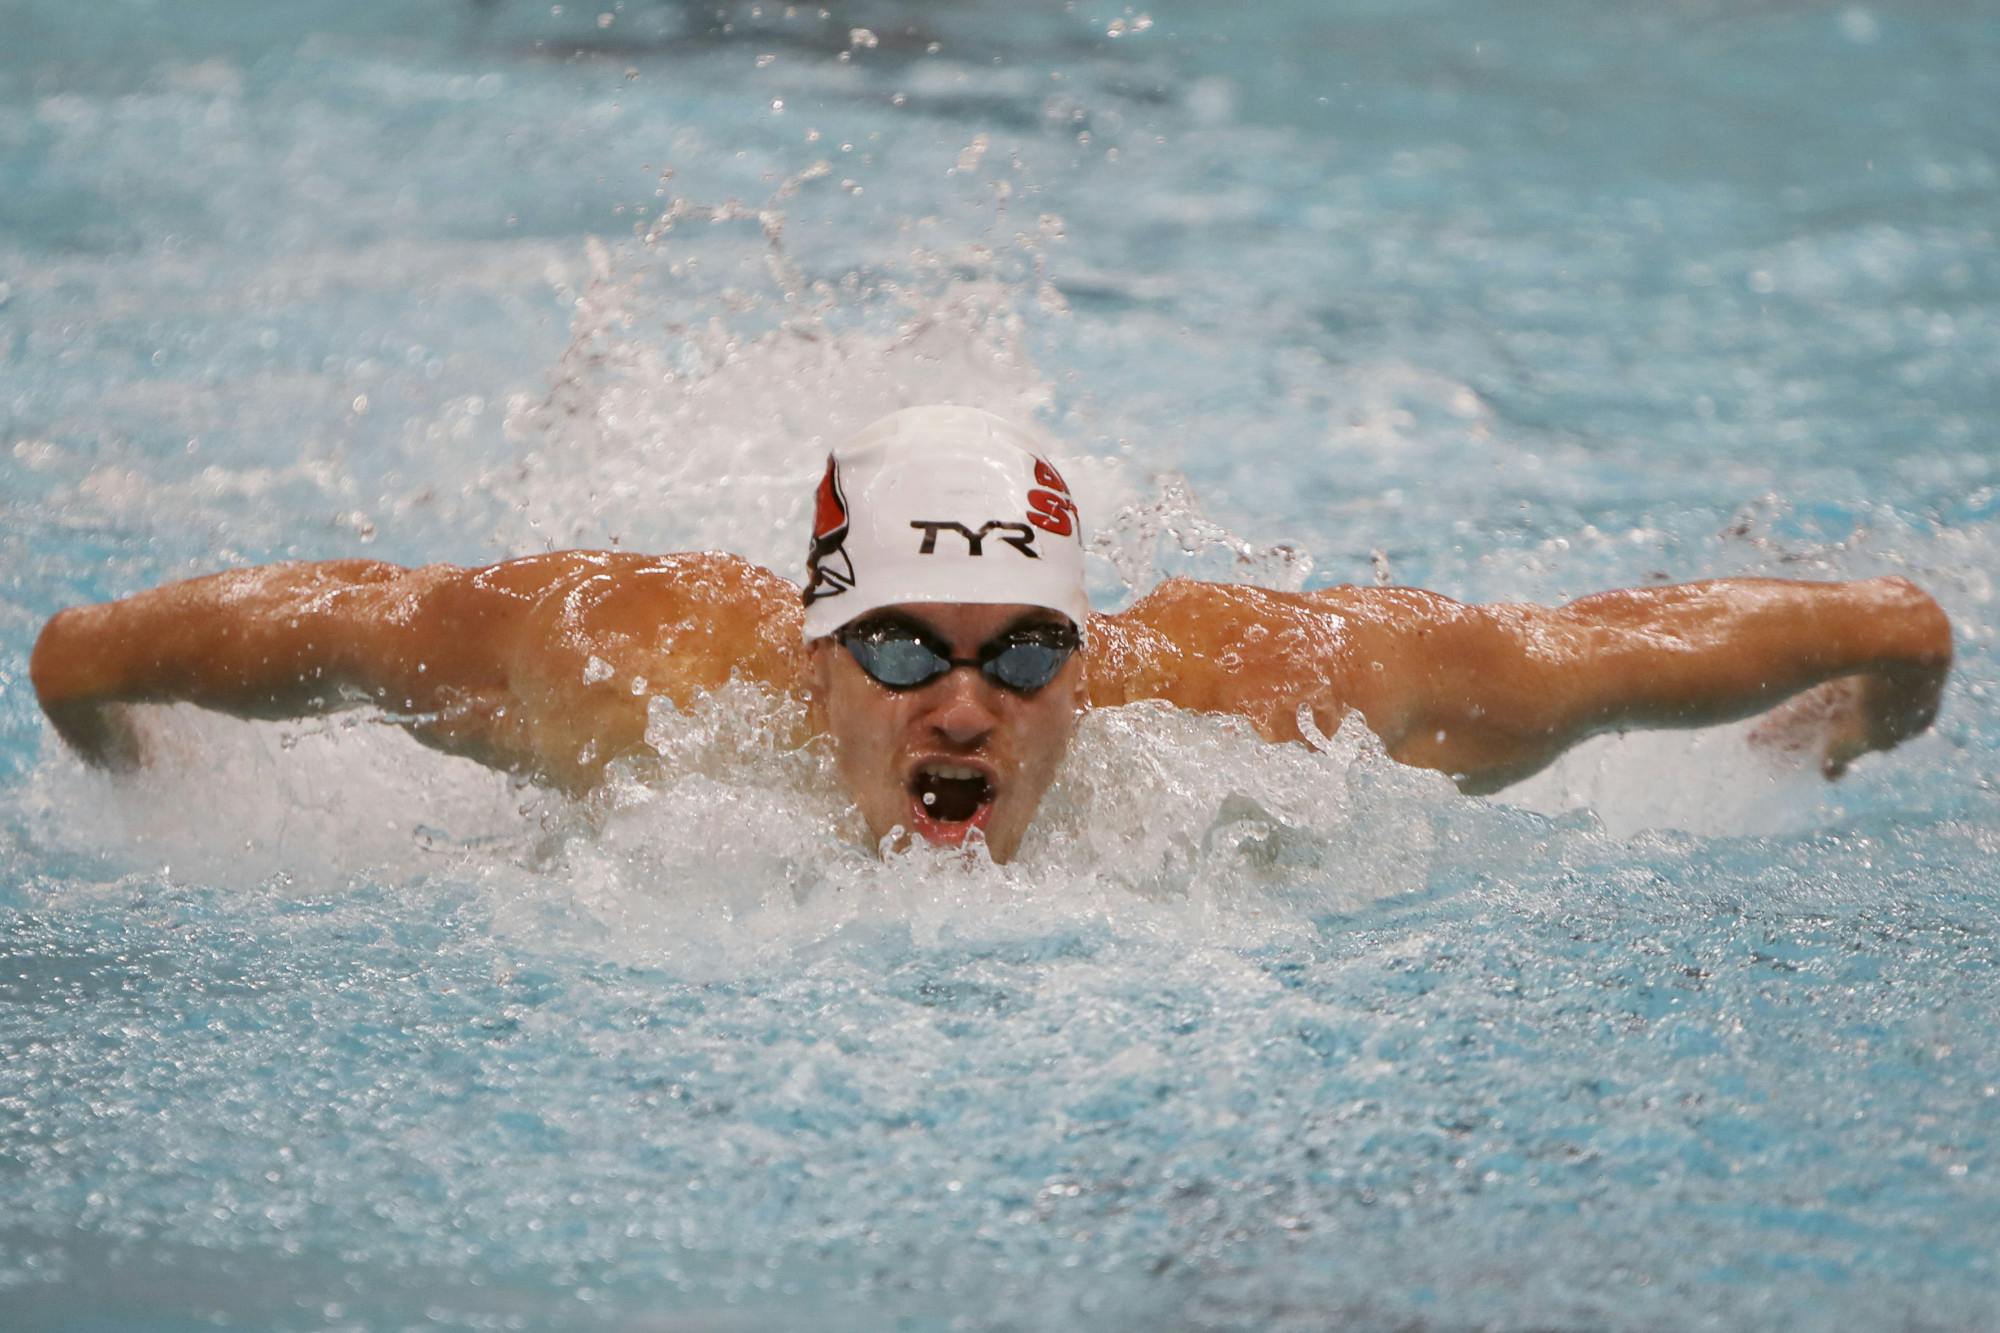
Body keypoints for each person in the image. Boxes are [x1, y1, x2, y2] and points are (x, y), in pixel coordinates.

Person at [30, 406, 1953, 863]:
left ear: (1089, 655)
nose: (964, 702)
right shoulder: (605, 673)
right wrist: (132, 755)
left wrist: (1858, 719)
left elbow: (1866, 624)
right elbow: (106, 650)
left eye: (1024, 652)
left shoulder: (1284, 703)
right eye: (900, 651)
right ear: (807, 659)